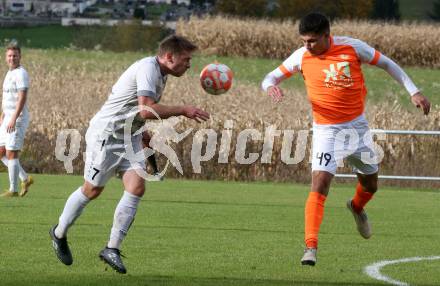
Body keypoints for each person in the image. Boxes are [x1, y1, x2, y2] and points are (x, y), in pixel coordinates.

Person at [261, 12, 430, 266]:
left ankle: (357, 207)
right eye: (304, 41)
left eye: (312, 41)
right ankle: (310, 247)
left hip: (357, 129)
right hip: (326, 131)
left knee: (371, 184)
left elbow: (387, 63)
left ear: (327, 35)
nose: (307, 46)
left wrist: (414, 92)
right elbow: (269, 77)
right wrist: (271, 86)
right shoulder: (301, 56)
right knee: (320, 181)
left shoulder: (352, 47)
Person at [49, 35, 210, 274]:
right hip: (107, 135)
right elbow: (146, 109)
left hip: (129, 136)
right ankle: (59, 233)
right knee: (92, 190)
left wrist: (142, 132)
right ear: (169, 56)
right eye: (186, 59)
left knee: (136, 187)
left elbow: (136, 110)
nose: (189, 65)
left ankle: (111, 248)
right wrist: (183, 109)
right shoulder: (148, 68)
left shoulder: (161, 73)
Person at [0, 42, 34, 198]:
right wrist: (3, 115)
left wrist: (13, 117)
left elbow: (22, 97)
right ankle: (25, 178)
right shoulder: (9, 73)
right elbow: (7, 96)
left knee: (11, 152)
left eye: (15, 55)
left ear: (20, 56)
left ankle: (13, 189)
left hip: (17, 118)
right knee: (1, 153)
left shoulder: (21, 73)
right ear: (5, 57)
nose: (12, 58)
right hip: (7, 117)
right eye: (9, 55)